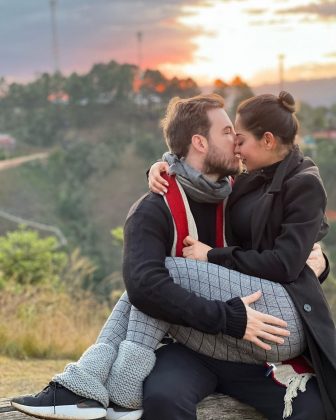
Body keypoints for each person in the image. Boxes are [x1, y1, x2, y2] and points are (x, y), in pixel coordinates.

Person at [11, 93, 332, 420]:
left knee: (315, 406)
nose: (235, 144)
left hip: (252, 343)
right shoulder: (153, 208)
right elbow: (144, 286)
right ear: (200, 143)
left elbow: (287, 228)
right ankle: (94, 390)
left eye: (239, 137)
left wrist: (317, 264)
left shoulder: (238, 192)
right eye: (227, 133)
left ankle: (83, 384)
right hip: (190, 344)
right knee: (163, 399)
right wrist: (229, 318)